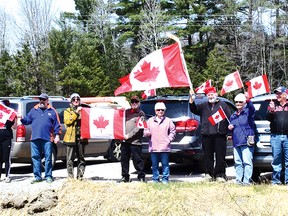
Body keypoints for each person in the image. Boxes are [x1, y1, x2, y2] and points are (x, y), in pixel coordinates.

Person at [189, 86, 231, 182]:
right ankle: (209, 174)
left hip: (219, 135)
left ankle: (220, 174)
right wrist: (191, 98)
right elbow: (193, 109)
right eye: (209, 95)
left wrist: (229, 133)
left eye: (212, 94)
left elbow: (229, 119)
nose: (210, 96)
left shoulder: (223, 105)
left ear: (216, 94)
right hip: (206, 135)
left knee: (220, 156)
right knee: (208, 156)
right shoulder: (203, 105)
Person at [20, 93, 61, 184]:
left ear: (47, 101)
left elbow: (57, 125)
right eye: (40, 100)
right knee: (35, 157)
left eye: (43, 99)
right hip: (35, 138)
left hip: (47, 138)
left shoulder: (52, 111)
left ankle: (48, 176)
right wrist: (22, 118)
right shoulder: (34, 110)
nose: (41, 101)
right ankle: (37, 176)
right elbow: (27, 120)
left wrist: (57, 135)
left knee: (48, 158)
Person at [228, 93, 256, 185]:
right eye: (236, 102)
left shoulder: (248, 112)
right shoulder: (233, 116)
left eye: (241, 102)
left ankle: (246, 181)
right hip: (236, 142)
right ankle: (238, 181)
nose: (238, 104)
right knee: (238, 163)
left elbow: (252, 108)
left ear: (244, 103)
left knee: (247, 162)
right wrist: (230, 130)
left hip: (247, 141)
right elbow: (232, 129)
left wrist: (248, 100)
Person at [144, 102, 176, 183]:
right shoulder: (150, 121)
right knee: (154, 165)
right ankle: (155, 178)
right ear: (155, 111)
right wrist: (147, 133)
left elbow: (173, 131)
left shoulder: (168, 121)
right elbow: (145, 130)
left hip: (164, 147)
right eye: (158, 110)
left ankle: (165, 179)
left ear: (164, 111)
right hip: (153, 147)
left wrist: (169, 139)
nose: (160, 111)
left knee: (165, 165)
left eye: (162, 110)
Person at [119, 96, 146, 183]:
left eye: (136, 102)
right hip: (125, 141)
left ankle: (141, 176)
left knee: (138, 160)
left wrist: (129, 135)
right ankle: (125, 176)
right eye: (132, 102)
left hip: (135, 142)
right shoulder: (126, 112)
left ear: (139, 103)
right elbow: (118, 120)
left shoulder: (141, 114)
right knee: (124, 160)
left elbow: (140, 128)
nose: (134, 104)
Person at [266, 86, 288, 185]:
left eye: (279, 93)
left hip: (287, 136)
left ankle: (287, 181)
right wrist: (271, 110)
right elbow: (268, 118)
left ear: (285, 94)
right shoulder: (273, 105)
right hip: (276, 136)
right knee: (276, 160)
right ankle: (276, 181)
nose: (277, 95)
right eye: (277, 93)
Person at [63, 93, 87, 180]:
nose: (76, 101)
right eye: (74, 99)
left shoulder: (84, 111)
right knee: (70, 159)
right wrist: (76, 113)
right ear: (71, 101)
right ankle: (70, 177)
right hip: (70, 138)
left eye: (77, 99)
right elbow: (68, 122)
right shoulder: (67, 111)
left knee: (81, 158)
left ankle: (80, 177)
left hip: (81, 138)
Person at [0, 100, 17, 183]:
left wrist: (16, 119)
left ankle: (7, 175)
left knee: (6, 158)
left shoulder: (10, 115)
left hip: (6, 138)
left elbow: (14, 127)